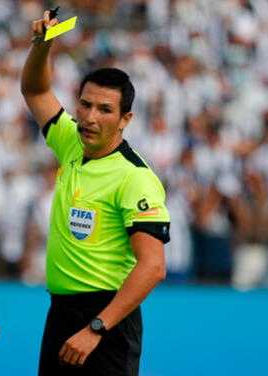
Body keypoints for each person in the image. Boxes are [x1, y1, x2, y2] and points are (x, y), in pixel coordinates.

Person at [21, 11, 171, 376]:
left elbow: (152, 266)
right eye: (85, 105)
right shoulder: (72, 142)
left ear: (125, 119)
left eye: (105, 110)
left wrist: (96, 328)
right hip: (61, 314)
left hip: (106, 320)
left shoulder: (134, 177)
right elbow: (36, 90)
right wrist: (43, 46)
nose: (90, 117)